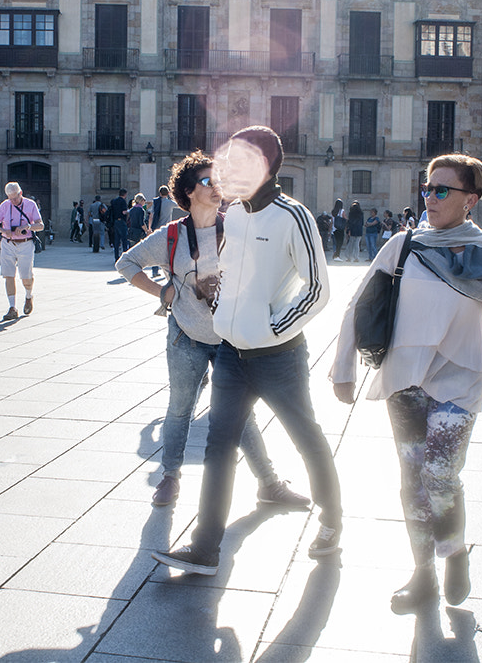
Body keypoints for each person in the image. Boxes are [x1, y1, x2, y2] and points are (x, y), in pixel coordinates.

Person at [331, 153, 482, 615]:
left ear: (470, 199)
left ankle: (453, 551)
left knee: (439, 474)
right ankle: (422, 573)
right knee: (411, 480)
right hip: (404, 380)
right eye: (427, 189)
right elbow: (360, 303)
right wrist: (343, 367)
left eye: (442, 190)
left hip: (460, 380)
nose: (430, 197)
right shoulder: (404, 244)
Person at [151, 125, 341, 576]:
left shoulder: (293, 216)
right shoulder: (233, 214)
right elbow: (233, 272)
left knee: (306, 438)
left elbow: (318, 290)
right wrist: (222, 307)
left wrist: (272, 327)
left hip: (278, 357)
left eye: (237, 160)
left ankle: (332, 521)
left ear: (264, 164)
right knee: (219, 447)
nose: (226, 169)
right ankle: (205, 549)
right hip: (232, 354)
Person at [115, 150, 309, 509]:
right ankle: (169, 478)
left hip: (229, 342)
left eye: (219, 181)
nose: (217, 187)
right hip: (186, 337)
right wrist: (162, 291)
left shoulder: (235, 228)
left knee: (241, 414)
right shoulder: (171, 235)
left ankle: (268, 483)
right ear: (189, 192)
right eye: (208, 182)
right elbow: (126, 263)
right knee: (179, 410)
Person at [0, 181, 43, 321]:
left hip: (25, 243)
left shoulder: (30, 204)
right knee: (8, 275)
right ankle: (12, 307)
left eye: (15, 198)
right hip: (8, 242)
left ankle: (28, 296)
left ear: (21, 193)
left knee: (26, 276)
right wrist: (2, 230)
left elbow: (40, 225)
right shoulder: (5, 205)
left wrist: (28, 226)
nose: (13, 201)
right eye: (10, 198)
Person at [148, 185, 177, 278]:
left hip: (157, 228)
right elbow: (180, 205)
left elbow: (151, 215)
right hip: (167, 229)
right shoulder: (170, 203)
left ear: (160, 193)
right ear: (168, 193)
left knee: (156, 250)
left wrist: (149, 228)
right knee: (168, 250)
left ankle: (154, 270)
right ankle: (169, 271)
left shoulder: (156, 202)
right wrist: (171, 196)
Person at [109, 188, 129, 260]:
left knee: (116, 240)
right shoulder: (123, 201)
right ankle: (125, 257)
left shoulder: (114, 201)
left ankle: (116, 257)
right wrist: (128, 211)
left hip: (115, 222)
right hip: (121, 221)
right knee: (124, 239)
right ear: (125, 194)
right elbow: (124, 212)